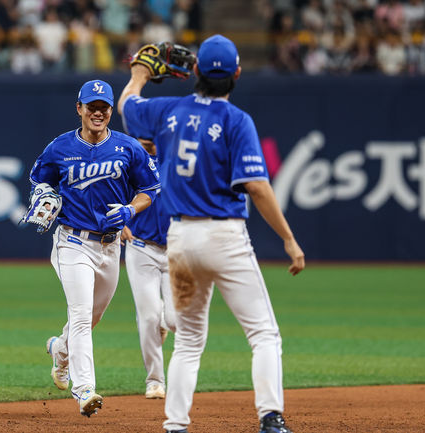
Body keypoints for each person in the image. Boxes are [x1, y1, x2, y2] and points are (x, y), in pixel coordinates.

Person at [118, 35, 305, 433]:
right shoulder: (237, 121)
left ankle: (175, 424)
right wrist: (288, 239)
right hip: (224, 238)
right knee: (263, 334)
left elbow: (127, 105)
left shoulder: (168, 111)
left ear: (196, 71)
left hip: (181, 240)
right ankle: (270, 418)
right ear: (237, 74)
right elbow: (256, 186)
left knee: (187, 342)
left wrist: (139, 73)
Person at [28, 80, 160, 416]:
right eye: (92, 106)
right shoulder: (59, 147)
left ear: (110, 110)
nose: (97, 112)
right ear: (79, 109)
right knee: (82, 316)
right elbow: (38, 178)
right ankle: (84, 388)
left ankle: (60, 350)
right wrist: (43, 193)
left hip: (111, 245)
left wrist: (132, 209)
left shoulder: (129, 148)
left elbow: (150, 188)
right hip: (72, 242)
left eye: (103, 107)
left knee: (92, 317)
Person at [120, 142, 176, 400]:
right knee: (148, 316)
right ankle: (155, 380)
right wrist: (119, 223)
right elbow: (109, 190)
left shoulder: (176, 158)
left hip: (178, 249)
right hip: (140, 246)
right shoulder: (128, 158)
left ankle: (165, 321)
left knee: (175, 320)